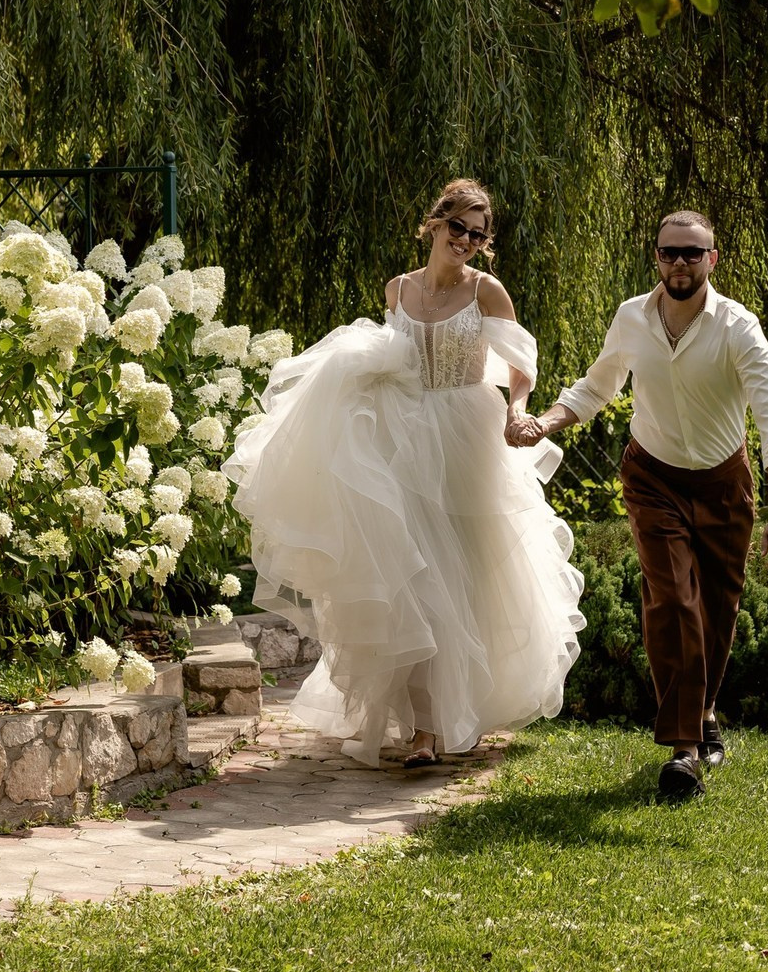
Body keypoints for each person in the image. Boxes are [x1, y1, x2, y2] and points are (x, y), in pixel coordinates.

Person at [223, 178, 585, 768]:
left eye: (478, 233)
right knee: (412, 578)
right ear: (434, 224)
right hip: (403, 437)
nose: (466, 240)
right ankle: (422, 730)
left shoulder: (487, 293)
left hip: (468, 435)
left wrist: (518, 411)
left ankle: (452, 713)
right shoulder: (397, 290)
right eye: (457, 227)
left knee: (464, 576)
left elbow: (522, 364)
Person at [516, 208, 768, 800]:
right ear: (656, 257)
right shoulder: (631, 318)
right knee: (672, 598)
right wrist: (549, 420)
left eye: (692, 253)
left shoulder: (738, 327)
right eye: (669, 252)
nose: (679, 263)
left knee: (716, 614)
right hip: (652, 478)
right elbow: (598, 385)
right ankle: (685, 749)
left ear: (712, 261)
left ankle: (704, 713)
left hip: (724, 483)